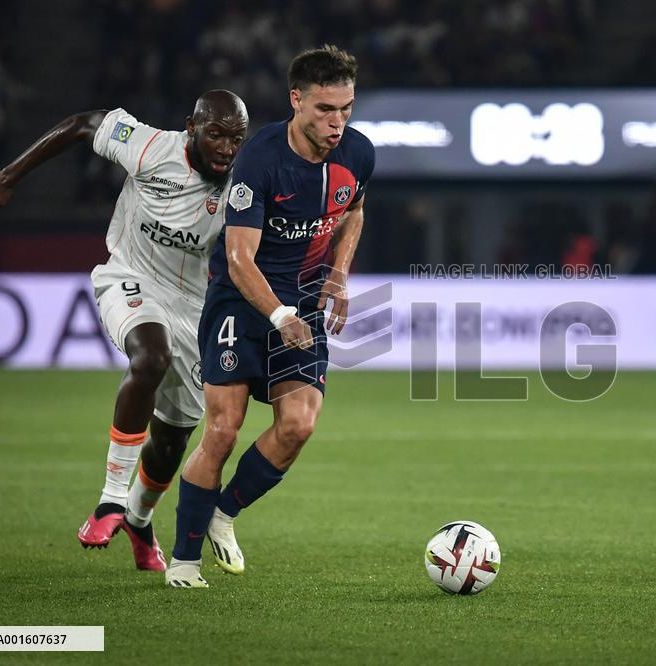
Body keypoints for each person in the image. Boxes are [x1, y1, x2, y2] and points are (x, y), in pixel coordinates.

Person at [0, 91, 249, 572]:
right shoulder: (148, 147)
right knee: (149, 357)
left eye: (236, 139)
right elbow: (82, 123)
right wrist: (10, 176)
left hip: (195, 308)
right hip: (129, 279)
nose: (226, 147)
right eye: (216, 134)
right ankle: (110, 501)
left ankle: (140, 520)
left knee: (171, 443)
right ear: (191, 128)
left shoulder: (243, 187)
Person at [165, 45, 374, 588]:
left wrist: (339, 275)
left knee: (299, 425)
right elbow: (238, 260)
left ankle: (224, 512)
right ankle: (183, 563)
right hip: (241, 298)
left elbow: (353, 209)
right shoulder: (259, 160)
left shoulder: (358, 153)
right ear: (296, 100)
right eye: (326, 109)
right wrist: (279, 315)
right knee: (223, 429)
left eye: (347, 108)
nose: (338, 122)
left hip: (303, 299)